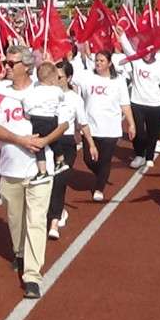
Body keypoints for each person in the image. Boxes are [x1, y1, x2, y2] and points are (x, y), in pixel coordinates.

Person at [0, 45, 68, 299]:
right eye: (6, 63)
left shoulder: (44, 88)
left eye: (11, 64)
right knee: (15, 218)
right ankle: (20, 253)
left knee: (36, 221)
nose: (6, 68)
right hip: (10, 169)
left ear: (26, 66)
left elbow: (64, 122)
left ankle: (32, 275)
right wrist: (20, 140)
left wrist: (43, 142)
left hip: (39, 169)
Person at [72, 50, 134, 202]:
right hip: (90, 127)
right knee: (89, 159)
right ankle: (102, 175)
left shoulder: (118, 81)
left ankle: (99, 188)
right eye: (97, 61)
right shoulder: (87, 76)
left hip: (110, 128)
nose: (98, 63)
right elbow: (67, 74)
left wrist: (131, 124)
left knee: (105, 160)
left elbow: (125, 104)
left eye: (102, 61)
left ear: (109, 63)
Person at [47, 61, 93, 240]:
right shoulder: (45, 94)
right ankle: (59, 210)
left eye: (60, 77)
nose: (56, 80)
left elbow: (83, 124)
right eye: (54, 77)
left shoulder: (75, 99)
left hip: (66, 144)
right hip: (49, 141)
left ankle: (54, 221)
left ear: (69, 78)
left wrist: (91, 144)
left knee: (59, 181)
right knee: (49, 181)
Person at [118, 30, 160, 169]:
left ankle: (149, 156)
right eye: (144, 52)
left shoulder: (159, 66)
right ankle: (139, 155)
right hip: (137, 103)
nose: (147, 55)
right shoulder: (136, 61)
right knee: (138, 132)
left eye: (150, 52)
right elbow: (128, 49)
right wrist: (122, 35)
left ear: (154, 52)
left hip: (154, 104)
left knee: (153, 133)